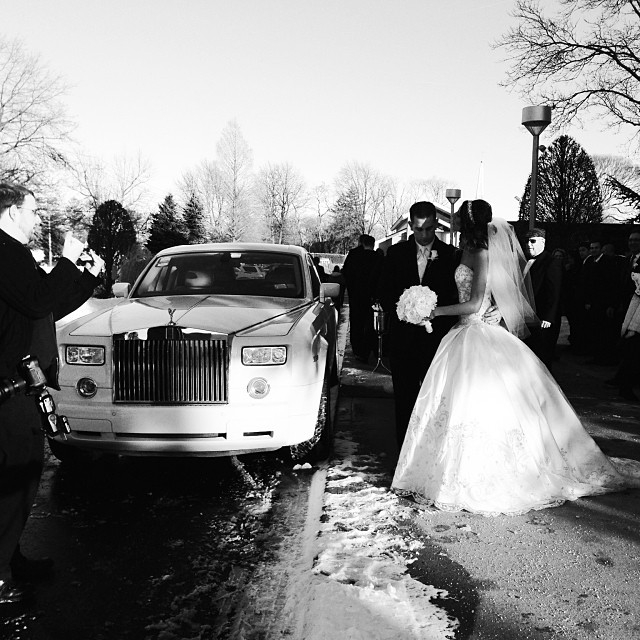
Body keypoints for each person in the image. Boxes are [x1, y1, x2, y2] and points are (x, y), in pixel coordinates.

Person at [392, 199, 640, 516]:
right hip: (463, 333)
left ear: (467, 223)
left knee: (480, 406)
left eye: (458, 220)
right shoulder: (466, 250)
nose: (454, 225)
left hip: (477, 333)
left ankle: (487, 477)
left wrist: (433, 310)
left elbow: (476, 303)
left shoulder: (482, 253)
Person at [0, 183, 104, 607]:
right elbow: (38, 298)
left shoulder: (14, 255)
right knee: (17, 475)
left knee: (19, 475)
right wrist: (65, 260)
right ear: (11, 212)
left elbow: (44, 307)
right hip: (8, 387)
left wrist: (86, 277)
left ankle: (10, 557)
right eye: (33, 210)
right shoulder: (4, 252)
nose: (38, 218)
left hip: (22, 384)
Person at [377, 201, 498, 448]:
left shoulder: (453, 254)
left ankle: (430, 453)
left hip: (440, 342)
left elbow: (480, 290)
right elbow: (384, 292)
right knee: (404, 401)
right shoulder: (395, 253)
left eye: (429, 229)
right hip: (403, 341)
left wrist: (499, 309)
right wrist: (407, 310)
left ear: (436, 225)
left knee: (437, 403)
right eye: (418, 229)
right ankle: (404, 457)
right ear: (410, 226)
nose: (424, 235)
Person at [523, 228, 563, 371]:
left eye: (533, 241)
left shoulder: (551, 262)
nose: (529, 244)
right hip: (528, 316)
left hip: (543, 319)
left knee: (543, 357)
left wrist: (548, 317)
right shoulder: (526, 261)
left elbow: (555, 291)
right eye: (527, 241)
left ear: (543, 242)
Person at [342, 234, 383, 363]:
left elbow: (346, 273)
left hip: (357, 295)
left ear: (362, 243)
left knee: (356, 322)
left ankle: (358, 349)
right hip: (373, 297)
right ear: (373, 244)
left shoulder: (355, 256)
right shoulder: (378, 257)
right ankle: (369, 349)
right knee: (370, 323)